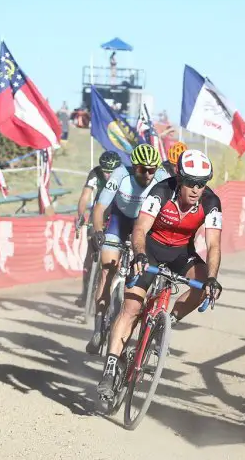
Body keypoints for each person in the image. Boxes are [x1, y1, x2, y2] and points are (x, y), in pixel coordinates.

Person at [97, 149, 223, 399]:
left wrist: (211, 278)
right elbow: (140, 229)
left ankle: (164, 324)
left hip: (180, 253)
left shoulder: (211, 203)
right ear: (180, 179)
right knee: (131, 308)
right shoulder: (162, 191)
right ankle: (110, 369)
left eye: (202, 183)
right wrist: (140, 255)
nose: (196, 189)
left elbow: (214, 245)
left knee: (203, 285)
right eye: (191, 183)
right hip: (151, 249)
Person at [86, 144, 169, 354]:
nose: (148, 174)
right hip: (119, 221)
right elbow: (100, 208)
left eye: (152, 170)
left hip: (145, 225)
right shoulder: (120, 174)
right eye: (143, 170)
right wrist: (97, 230)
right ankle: (98, 327)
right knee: (107, 268)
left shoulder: (161, 177)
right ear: (134, 167)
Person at [74, 151, 123, 305]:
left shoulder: (123, 174)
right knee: (90, 252)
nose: (108, 175)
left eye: (111, 172)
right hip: (98, 213)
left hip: (116, 213)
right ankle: (85, 292)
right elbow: (84, 197)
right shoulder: (95, 173)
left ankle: (114, 289)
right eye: (105, 171)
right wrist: (81, 215)